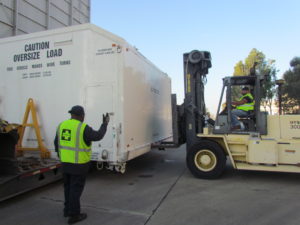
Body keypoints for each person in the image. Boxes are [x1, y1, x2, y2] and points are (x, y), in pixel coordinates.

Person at [54, 105, 109, 224]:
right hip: (78, 165)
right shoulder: (83, 128)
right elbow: (98, 136)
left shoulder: (61, 125)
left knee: (68, 188)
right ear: (82, 116)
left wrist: (61, 156)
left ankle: (67, 210)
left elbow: (56, 143)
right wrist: (104, 124)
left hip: (65, 164)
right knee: (75, 190)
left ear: (71, 115)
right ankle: (74, 215)